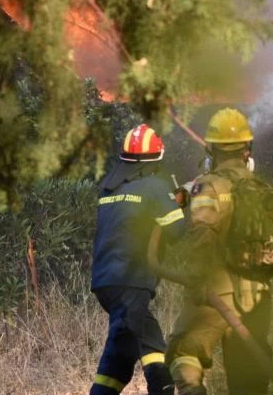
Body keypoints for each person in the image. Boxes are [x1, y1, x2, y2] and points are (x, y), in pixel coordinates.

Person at [165, 108, 273, 395]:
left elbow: (203, 232)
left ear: (210, 149)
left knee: (183, 352)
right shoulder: (262, 188)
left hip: (217, 290)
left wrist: (197, 277)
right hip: (258, 295)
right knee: (248, 377)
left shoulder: (208, 186)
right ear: (247, 150)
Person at [89, 124, 186, 395]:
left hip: (106, 283)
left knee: (150, 343)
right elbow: (177, 231)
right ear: (157, 159)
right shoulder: (155, 187)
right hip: (131, 282)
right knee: (119, 357)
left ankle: (162, 387)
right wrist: (178, 203)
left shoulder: (109, 188)